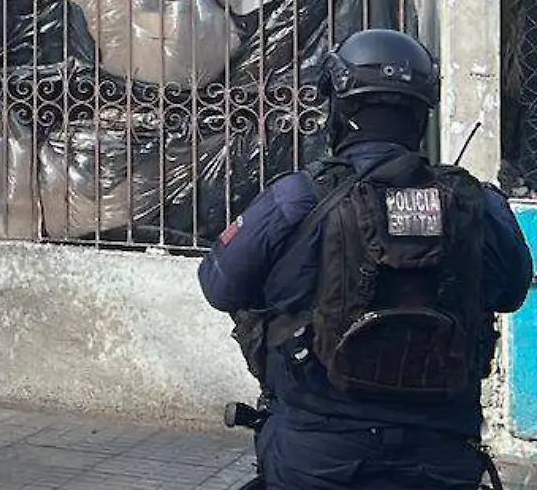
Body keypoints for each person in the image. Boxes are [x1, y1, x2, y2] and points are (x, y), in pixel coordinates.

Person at [198, 28, 532, 490]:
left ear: (338, 107)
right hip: (440, 456)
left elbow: (218, 287)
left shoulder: (296, 199)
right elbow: (513, 292)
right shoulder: (477, 204)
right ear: (420, 113)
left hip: (314, 455)